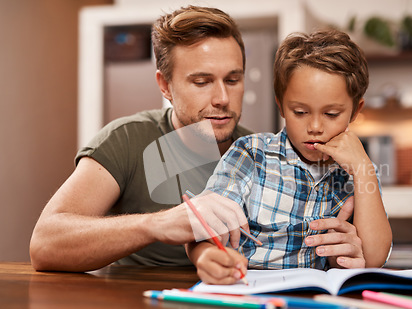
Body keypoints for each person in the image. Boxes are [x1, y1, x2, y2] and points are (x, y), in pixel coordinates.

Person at [29, 5, 252, 272]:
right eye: (202, 82)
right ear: (165, 85)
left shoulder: (261, 152)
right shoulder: (126, 140)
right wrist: (157, 225)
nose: (222, 99)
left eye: (232, 80)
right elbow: (45, 244)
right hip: (138, 307)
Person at [187, 28, 392, 285]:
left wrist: (363, 169)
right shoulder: (251, 154)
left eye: (331, 114)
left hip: (315, 301)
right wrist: (207, 256)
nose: (315, 126)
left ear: (354, 111)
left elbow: (374, 259)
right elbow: (202, 231)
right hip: (246, 291)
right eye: (299, 111)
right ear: (281, 105)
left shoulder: (359, 170)